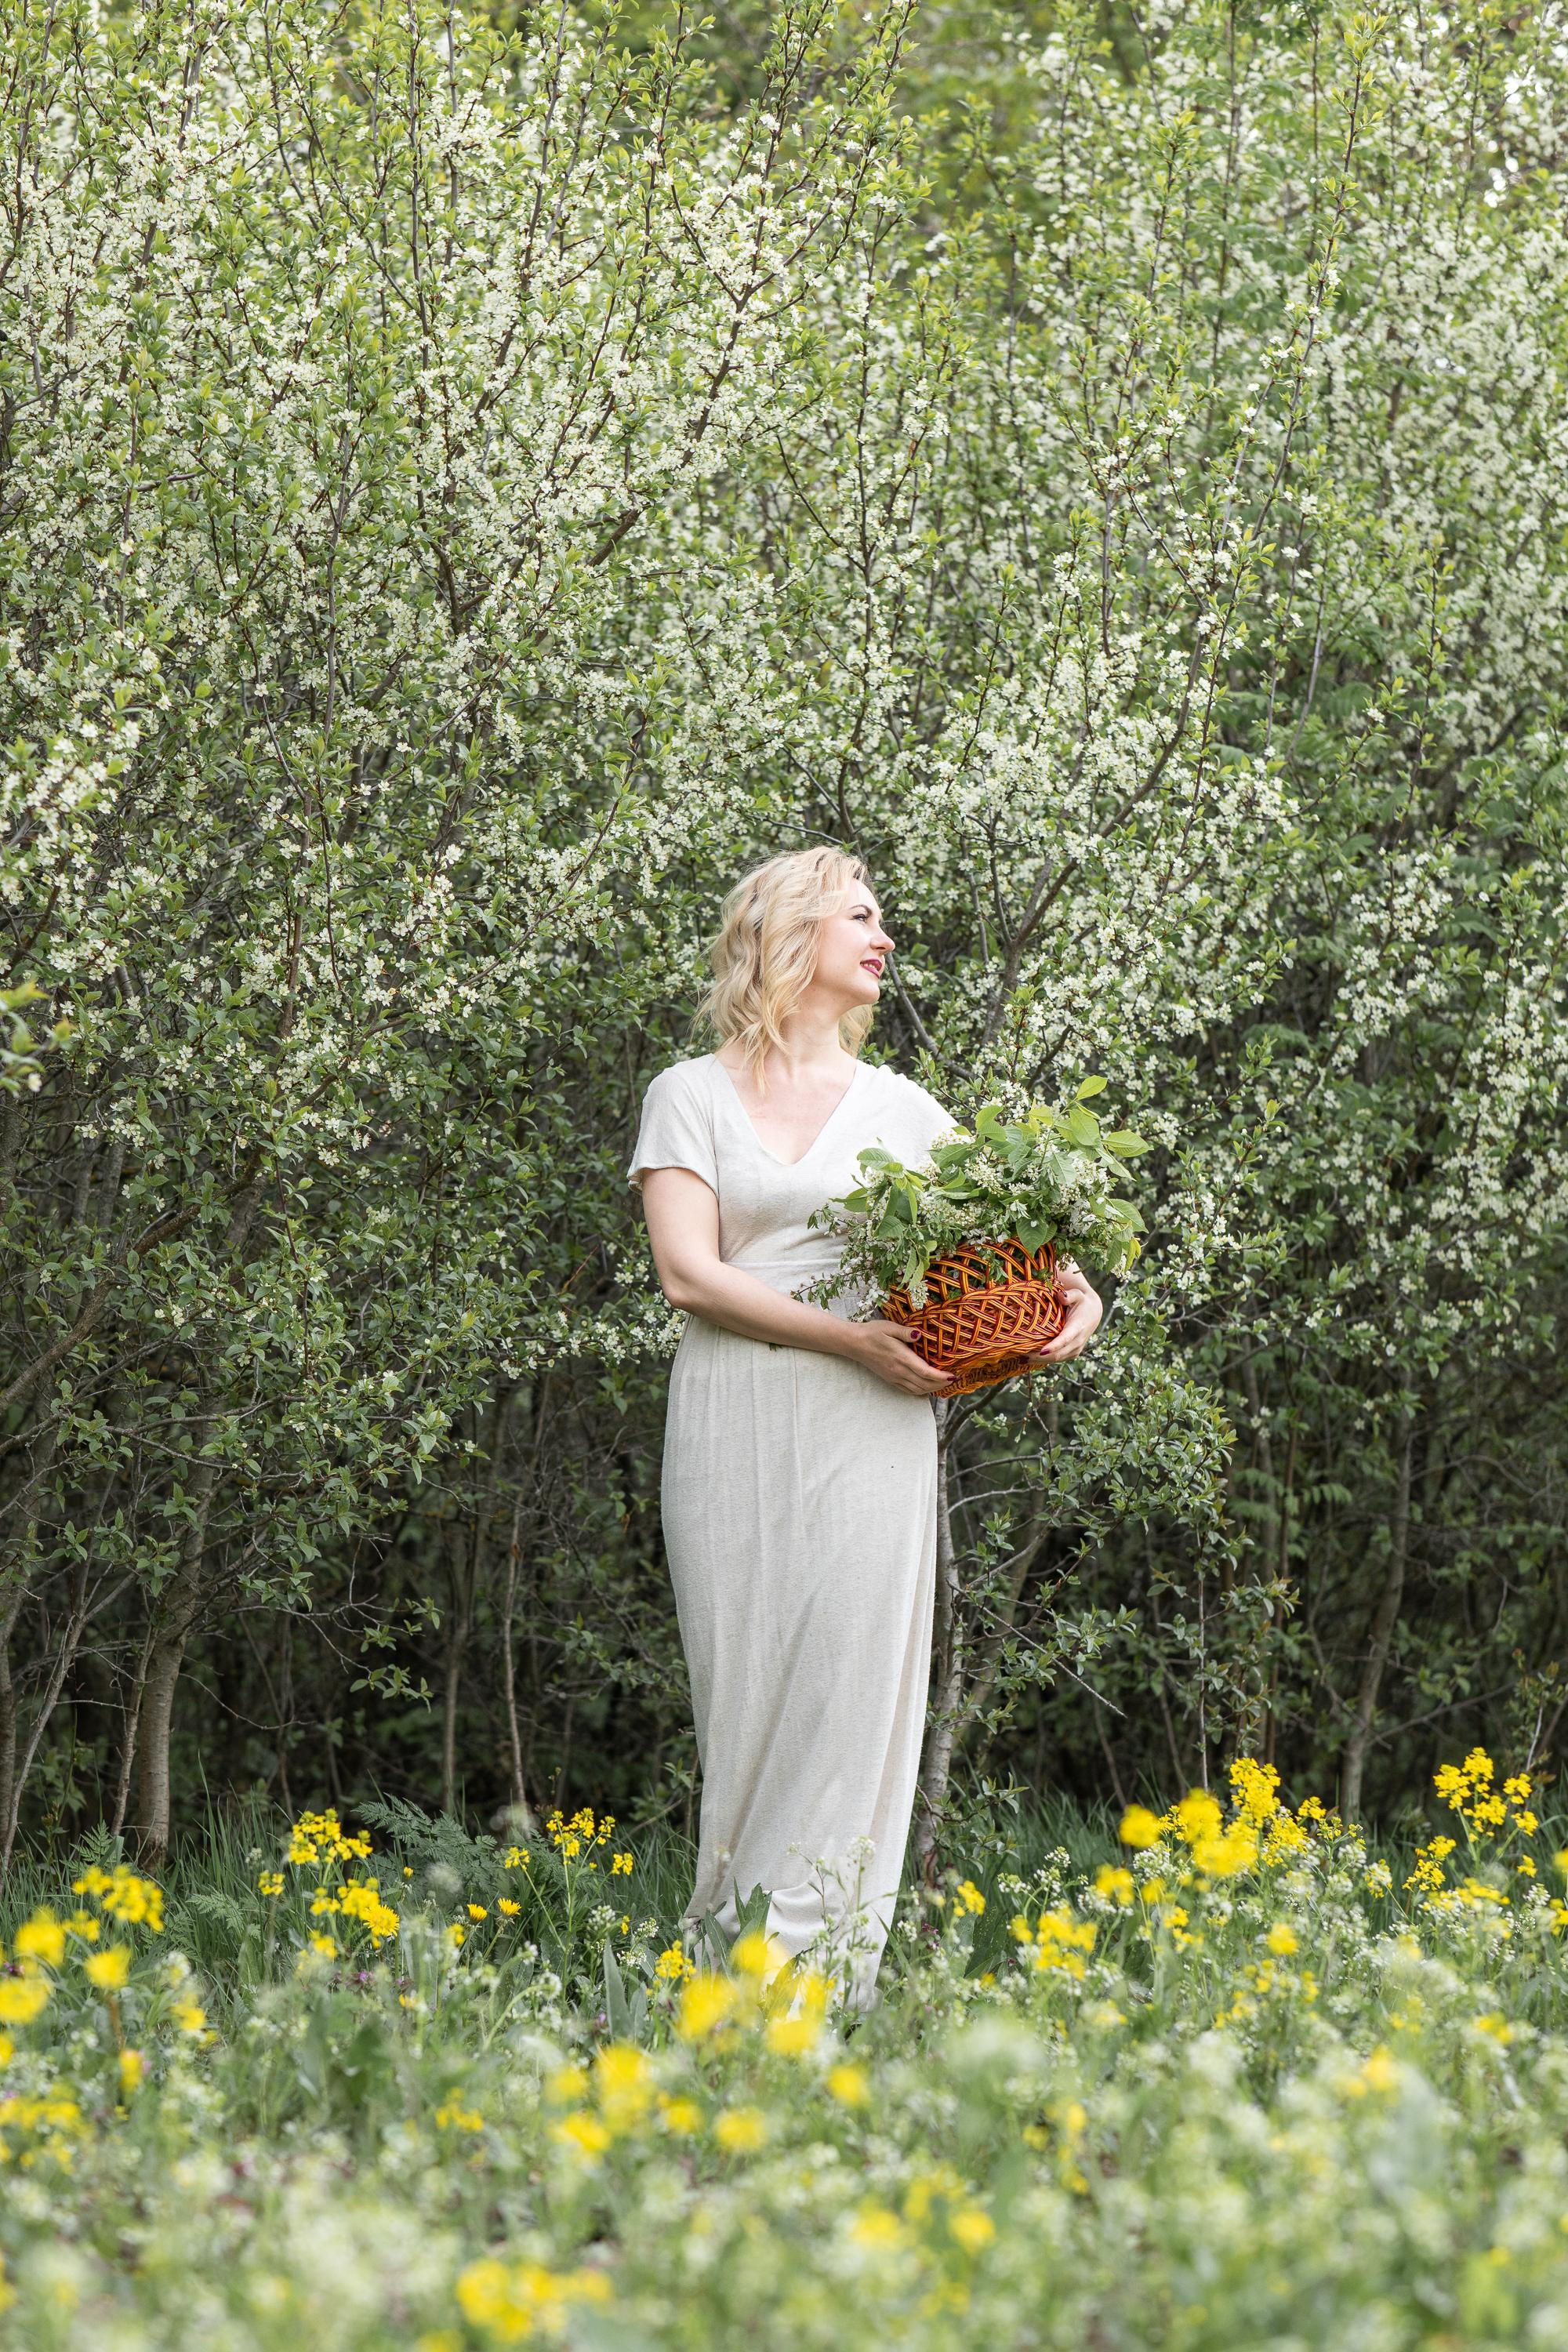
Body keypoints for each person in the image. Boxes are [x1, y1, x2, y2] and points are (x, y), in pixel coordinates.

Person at [628, 847, 1103, 2002]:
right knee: (742, 1708)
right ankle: (721, 1982)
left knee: (850, 1703)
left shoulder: (905, 1111)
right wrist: (848, 1337)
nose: (885, 938)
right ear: (791, 931)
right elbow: (689, 1276)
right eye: (864, 915)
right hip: (735, 1418)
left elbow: (1024, 1252)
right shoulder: (689, 1092)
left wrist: (1077, 1297)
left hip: (868, 1433)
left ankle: (809, 1998)